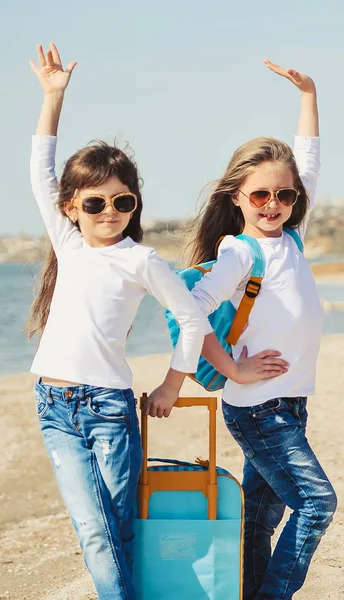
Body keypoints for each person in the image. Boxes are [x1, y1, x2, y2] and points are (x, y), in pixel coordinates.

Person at [144, 60, 337, 600]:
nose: (274, 205)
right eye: (260, 196)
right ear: (237, 198)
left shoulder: (291, 238)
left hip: (289, 404)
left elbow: (311, 165)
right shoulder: (240, 252)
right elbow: (192, 311)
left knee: (258, 519)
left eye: (284, 195)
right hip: (260, 409)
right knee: (318, 503)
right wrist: (230, 367)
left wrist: (309, 96)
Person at [26, 42, 208, 600]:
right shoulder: (67, 242)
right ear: (70, 207)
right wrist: (53, 99)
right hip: (54, 408)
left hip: (109, 409)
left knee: (116, 532)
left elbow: (191, 318)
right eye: (95, 203)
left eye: (122, 202)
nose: (109, 213)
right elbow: (41, 169)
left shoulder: (140, 260)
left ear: (135, 205)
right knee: (94, 532)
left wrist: (173, 384)